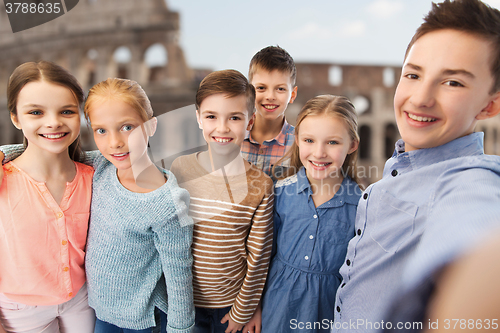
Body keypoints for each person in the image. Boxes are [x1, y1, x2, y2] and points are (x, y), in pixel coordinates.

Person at [333, 0, 500, 332]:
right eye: (413, 74)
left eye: (453, 82)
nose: (421, 98)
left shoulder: (467, 182)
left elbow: (478, 232)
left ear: (490, 105)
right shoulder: (400, 171)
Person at [0, 78, 195, 333]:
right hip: (99, 313)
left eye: (127, 127)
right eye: (101, 131)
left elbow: (179, 274)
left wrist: (181, 329)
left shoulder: (168, 202)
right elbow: (49, 152)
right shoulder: (102, 166)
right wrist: (5, 153)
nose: (115, 142)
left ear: (152, 125)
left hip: (143, 319)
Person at [169, 69, 274, 333]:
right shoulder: (179, 169)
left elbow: (258, 257)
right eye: (211, 116)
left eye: (235, 118)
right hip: (182, 303)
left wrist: (243, 311)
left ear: (250, 122)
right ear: (198, 119)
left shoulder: (261, 185)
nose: (222, 128)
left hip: (230, 307)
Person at [0, 61, 95, 332]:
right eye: (35, 112)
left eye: (66, 111)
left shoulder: (94, 176)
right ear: (15, 117)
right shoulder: (4, 178)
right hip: (19, 310)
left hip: (81, 299)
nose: (53, 122)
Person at [260, 95, 361, 333]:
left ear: (352, 145)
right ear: (297, 140)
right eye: (309, 140)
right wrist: (253, 310)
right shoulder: (280, 193)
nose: (319, 153)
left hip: (327, 315)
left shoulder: (361, 206)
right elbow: (262, 259)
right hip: (276, 310)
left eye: (333, 143)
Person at [241, 46, 298, 179]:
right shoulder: (233, 135)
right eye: (261, 88)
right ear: (249, 91)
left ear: (293, 94)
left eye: (280, 89)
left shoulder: (299, 144)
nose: (270, 96)